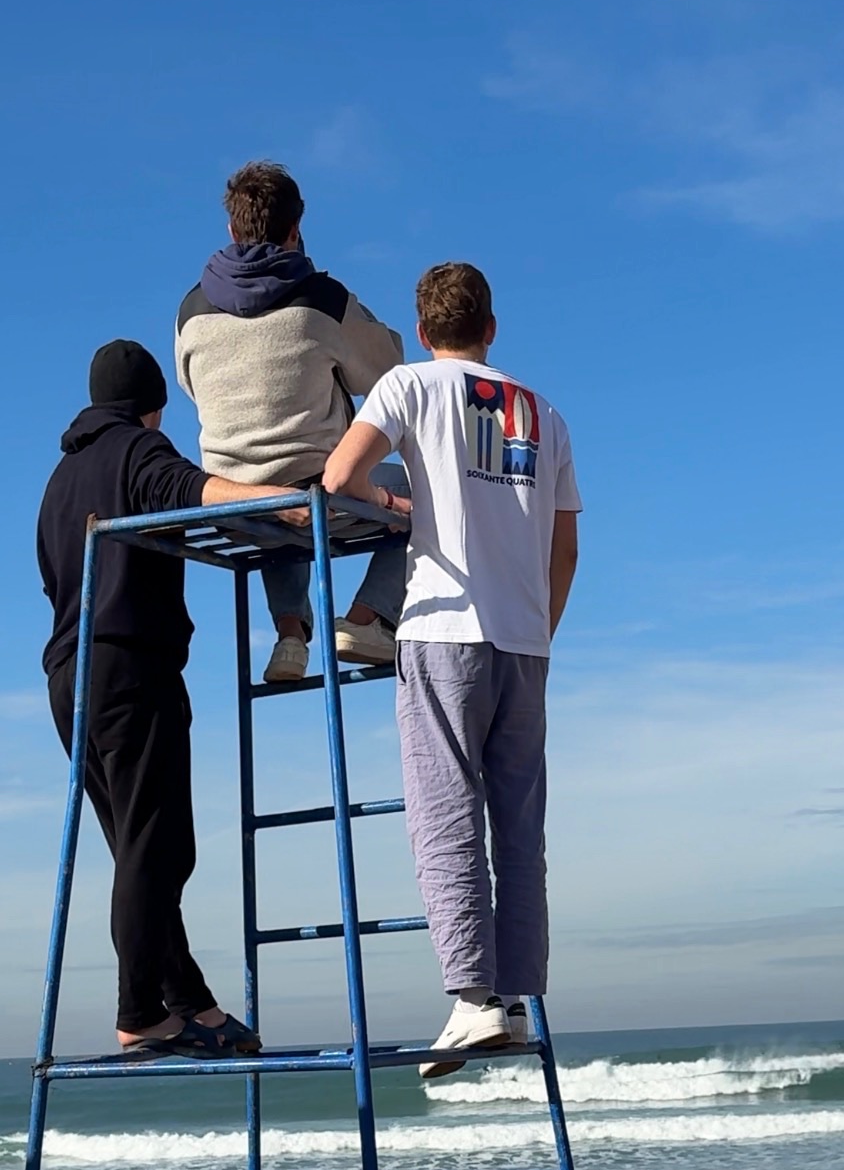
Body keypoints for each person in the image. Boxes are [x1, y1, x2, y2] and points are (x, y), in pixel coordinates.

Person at [322, 263, 580, 1076]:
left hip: (442, 624)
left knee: (443, 816)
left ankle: (470, 1001)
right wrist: (541, 626)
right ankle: (510, 995)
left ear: (424, 330)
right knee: (517, 827)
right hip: (524, 641)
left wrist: (402, 508)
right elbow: (564, 546)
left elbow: (339, 476)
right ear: (490, 328)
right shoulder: (543, 412)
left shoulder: (408, 385)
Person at [37, 341, 301, 1052]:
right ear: (150, 405)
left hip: (69, 674)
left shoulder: (60, 477)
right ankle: (138, 1011)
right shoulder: (136, 450)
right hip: (131, 670)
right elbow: (194, 491)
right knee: (162, 848)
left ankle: (189, 1000)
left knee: (139, 849)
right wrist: (284, 507)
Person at [176, 161, 408, 685]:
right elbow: (390, 367)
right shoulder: (321, 298)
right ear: (296, 228)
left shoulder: (190, 308)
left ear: (232, 230)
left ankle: (289, 638)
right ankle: (370, 619)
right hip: (317, 494)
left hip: (231, 497)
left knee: (272, 480)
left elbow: (189, 385)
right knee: (430, 488)